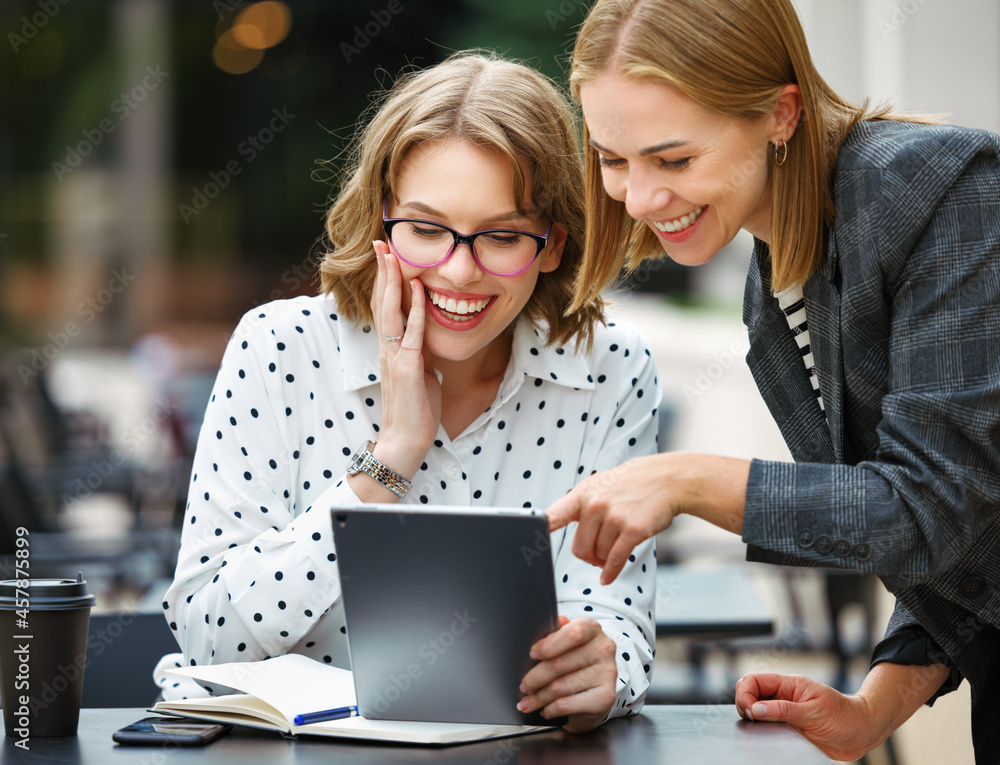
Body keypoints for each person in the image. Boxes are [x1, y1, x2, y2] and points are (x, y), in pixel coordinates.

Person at [544, 0, 1000, 759]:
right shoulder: (775, 287)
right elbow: (968, 520)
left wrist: (685, 477)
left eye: (674, 159)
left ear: (781, 113)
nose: (640, 199)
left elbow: (932, 505)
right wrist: (872, 710)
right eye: (614, 160)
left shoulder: (935, 189)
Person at [156, 51, 660, 733]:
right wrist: (390, 458)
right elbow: (209, 635)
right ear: (381, 225)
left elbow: (618, 621)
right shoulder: (280, 349)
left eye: (503, 235)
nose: (459, 270)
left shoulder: (612, 370)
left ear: (550, 243)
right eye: (426, 230)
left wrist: (607, 670)